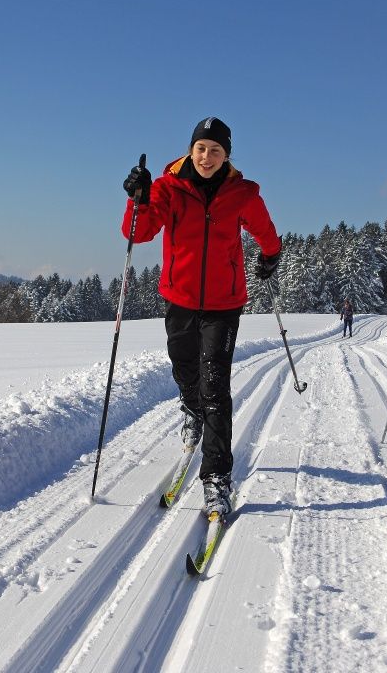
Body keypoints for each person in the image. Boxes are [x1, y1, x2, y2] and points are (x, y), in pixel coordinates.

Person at [121, 116, 282, 519]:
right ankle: (189, 408)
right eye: (201, 148)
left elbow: (265, 229)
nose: (207, 156)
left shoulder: (241, 193)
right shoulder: (168, 188)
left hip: (224, 304)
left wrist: (270, 253)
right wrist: (137, 198)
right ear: (190, 150)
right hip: (179, 297)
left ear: (226, 155)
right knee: (185, 367)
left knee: (216, 385)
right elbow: (138, 233)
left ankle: (216, 477)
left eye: (215, 150)